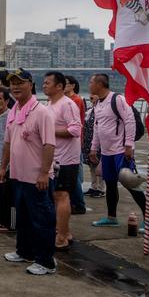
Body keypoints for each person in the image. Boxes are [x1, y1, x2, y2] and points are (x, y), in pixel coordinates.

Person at [0, 68, 57, 275]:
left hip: (36, 177)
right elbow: (7, 143)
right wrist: (3, 167)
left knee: (42, 219)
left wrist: (43, 172)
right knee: (23, 217)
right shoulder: (14, 111)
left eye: (20, 82)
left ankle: (46, 261)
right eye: (12, 83)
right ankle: (24, 251)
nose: (15, 86)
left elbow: (49, 145)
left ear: (31, 84)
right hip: (17, 175)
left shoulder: (42, 112)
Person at [88, 74, 149, 232]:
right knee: (110, 185)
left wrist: (129, 145)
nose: (89, 84)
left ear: (100, 83)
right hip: (106, 152)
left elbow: (130, 120)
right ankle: (111, 217)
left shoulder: (117, 99)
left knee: (130, 183)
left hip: (120, 151)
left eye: (91, 82)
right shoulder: (98, 103)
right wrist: (93, 147)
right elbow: (97, 128)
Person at [43, 71, 82, 250]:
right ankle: (65, 232)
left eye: (48, 83)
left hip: (66, 159)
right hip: (53, 157)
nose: (44, 86)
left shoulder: (67, 104)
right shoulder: (49, 104)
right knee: (54, 196)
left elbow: (75, 130)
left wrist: (49, 131)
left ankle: (61, 237)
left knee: (62, 195)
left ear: (59, 86)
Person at [0, 87, 14, 231]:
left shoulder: (9, 115)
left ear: (6, 100)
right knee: (2, 193)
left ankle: (9, 224)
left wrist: (6, 164)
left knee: (8, 195)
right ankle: (3, 221)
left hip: (8, 162)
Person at [64, 75, 86, 214]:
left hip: (74, 141)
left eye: (65, 83)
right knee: (73, 173)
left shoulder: (75, 101)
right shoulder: (66, 100)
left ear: (72, 85)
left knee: (74, 174)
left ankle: (78, 203)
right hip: (68, 142)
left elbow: (74, 125)